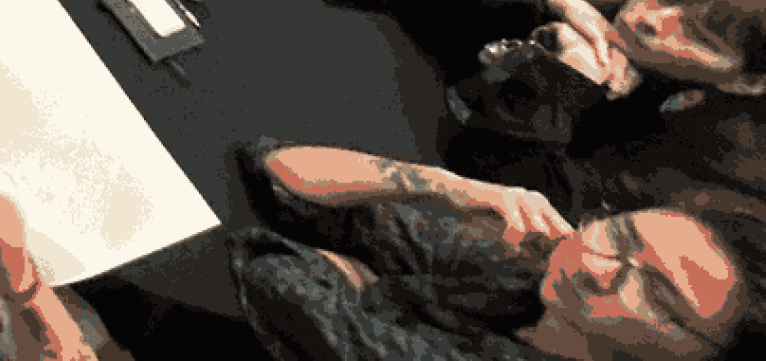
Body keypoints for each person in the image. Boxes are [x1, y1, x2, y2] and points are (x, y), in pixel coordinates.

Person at [227, 138, 766, 360]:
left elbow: (274, 275)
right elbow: (278, 172)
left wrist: (360, 279)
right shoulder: (528, 270)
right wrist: (449, 186)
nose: (599, 268)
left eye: (657, 293)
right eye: (621, 235)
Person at [342, 0, 766, 213]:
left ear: (747, 83)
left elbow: (514, 193)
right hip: (384, 107)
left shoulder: (709, 149)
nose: (651, 19)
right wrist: (550, 2)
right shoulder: (615, 28)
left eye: (697, 36)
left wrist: (565, 84)